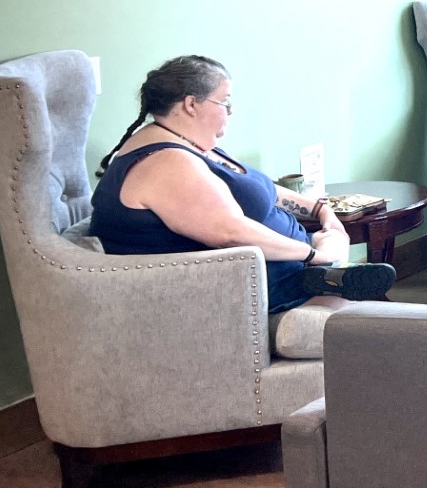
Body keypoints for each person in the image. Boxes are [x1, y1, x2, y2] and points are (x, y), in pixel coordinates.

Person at [90, 55, 395, 310]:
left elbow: (261, 188)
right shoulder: (166, 164)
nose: (231, 111)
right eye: (224, 102)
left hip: (281, 261)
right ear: (191, 105)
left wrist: (321, 213)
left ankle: (329, 274)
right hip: (243, 287)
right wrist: (314, 254)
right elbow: (230, 233)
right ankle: (321, 276)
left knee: (338, 251)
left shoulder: (188, 143)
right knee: (375, 315)